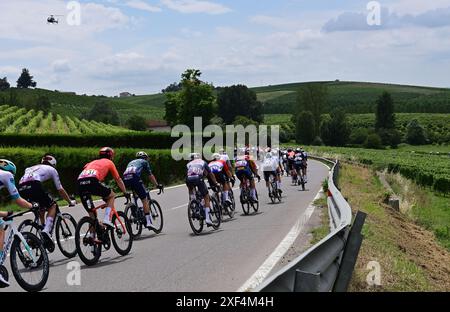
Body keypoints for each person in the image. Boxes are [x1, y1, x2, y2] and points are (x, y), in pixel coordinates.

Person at [18, 155, 76, 249]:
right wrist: (70, 201)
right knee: (52, 205)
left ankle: (42, 231)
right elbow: (60, 189)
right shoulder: (52, 169)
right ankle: (46, 230)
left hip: (21, 188)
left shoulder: (30, 168)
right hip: (34, 185)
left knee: (41, 207)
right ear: (53, 164)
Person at [0, 159, 37, 288]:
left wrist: (4, 214)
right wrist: (32, 205)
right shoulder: (7, 175)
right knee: (0, 227)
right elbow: (18, 200)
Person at [77, 147, 128, 228]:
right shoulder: (109, 162)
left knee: (92, 215)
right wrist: (125, 192)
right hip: (92, 181)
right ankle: (107, 219)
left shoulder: (91, 162)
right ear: (111, 156)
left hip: (80, 184)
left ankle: (91, 237)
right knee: (112, 195)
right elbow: (118, 180)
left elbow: (87, 173)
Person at [123, 151, 164, 230]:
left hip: (125, 179)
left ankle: (135, 211)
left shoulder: (131, 162)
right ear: (145, 157)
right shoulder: (144, 161)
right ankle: (148, 222)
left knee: (135, 192)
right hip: (134, 178)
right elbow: (150, 175)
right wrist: (157, 185)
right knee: (144, 199)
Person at [186, 153, 218, 227]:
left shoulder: (188, 164)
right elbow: (210, 174)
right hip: (198, 178)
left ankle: (193, 204)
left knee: (191, 190)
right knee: (206, 196)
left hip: (189, 179)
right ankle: (208, 219)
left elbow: (188, 174)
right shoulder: (203, 162)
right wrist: (215, 183)